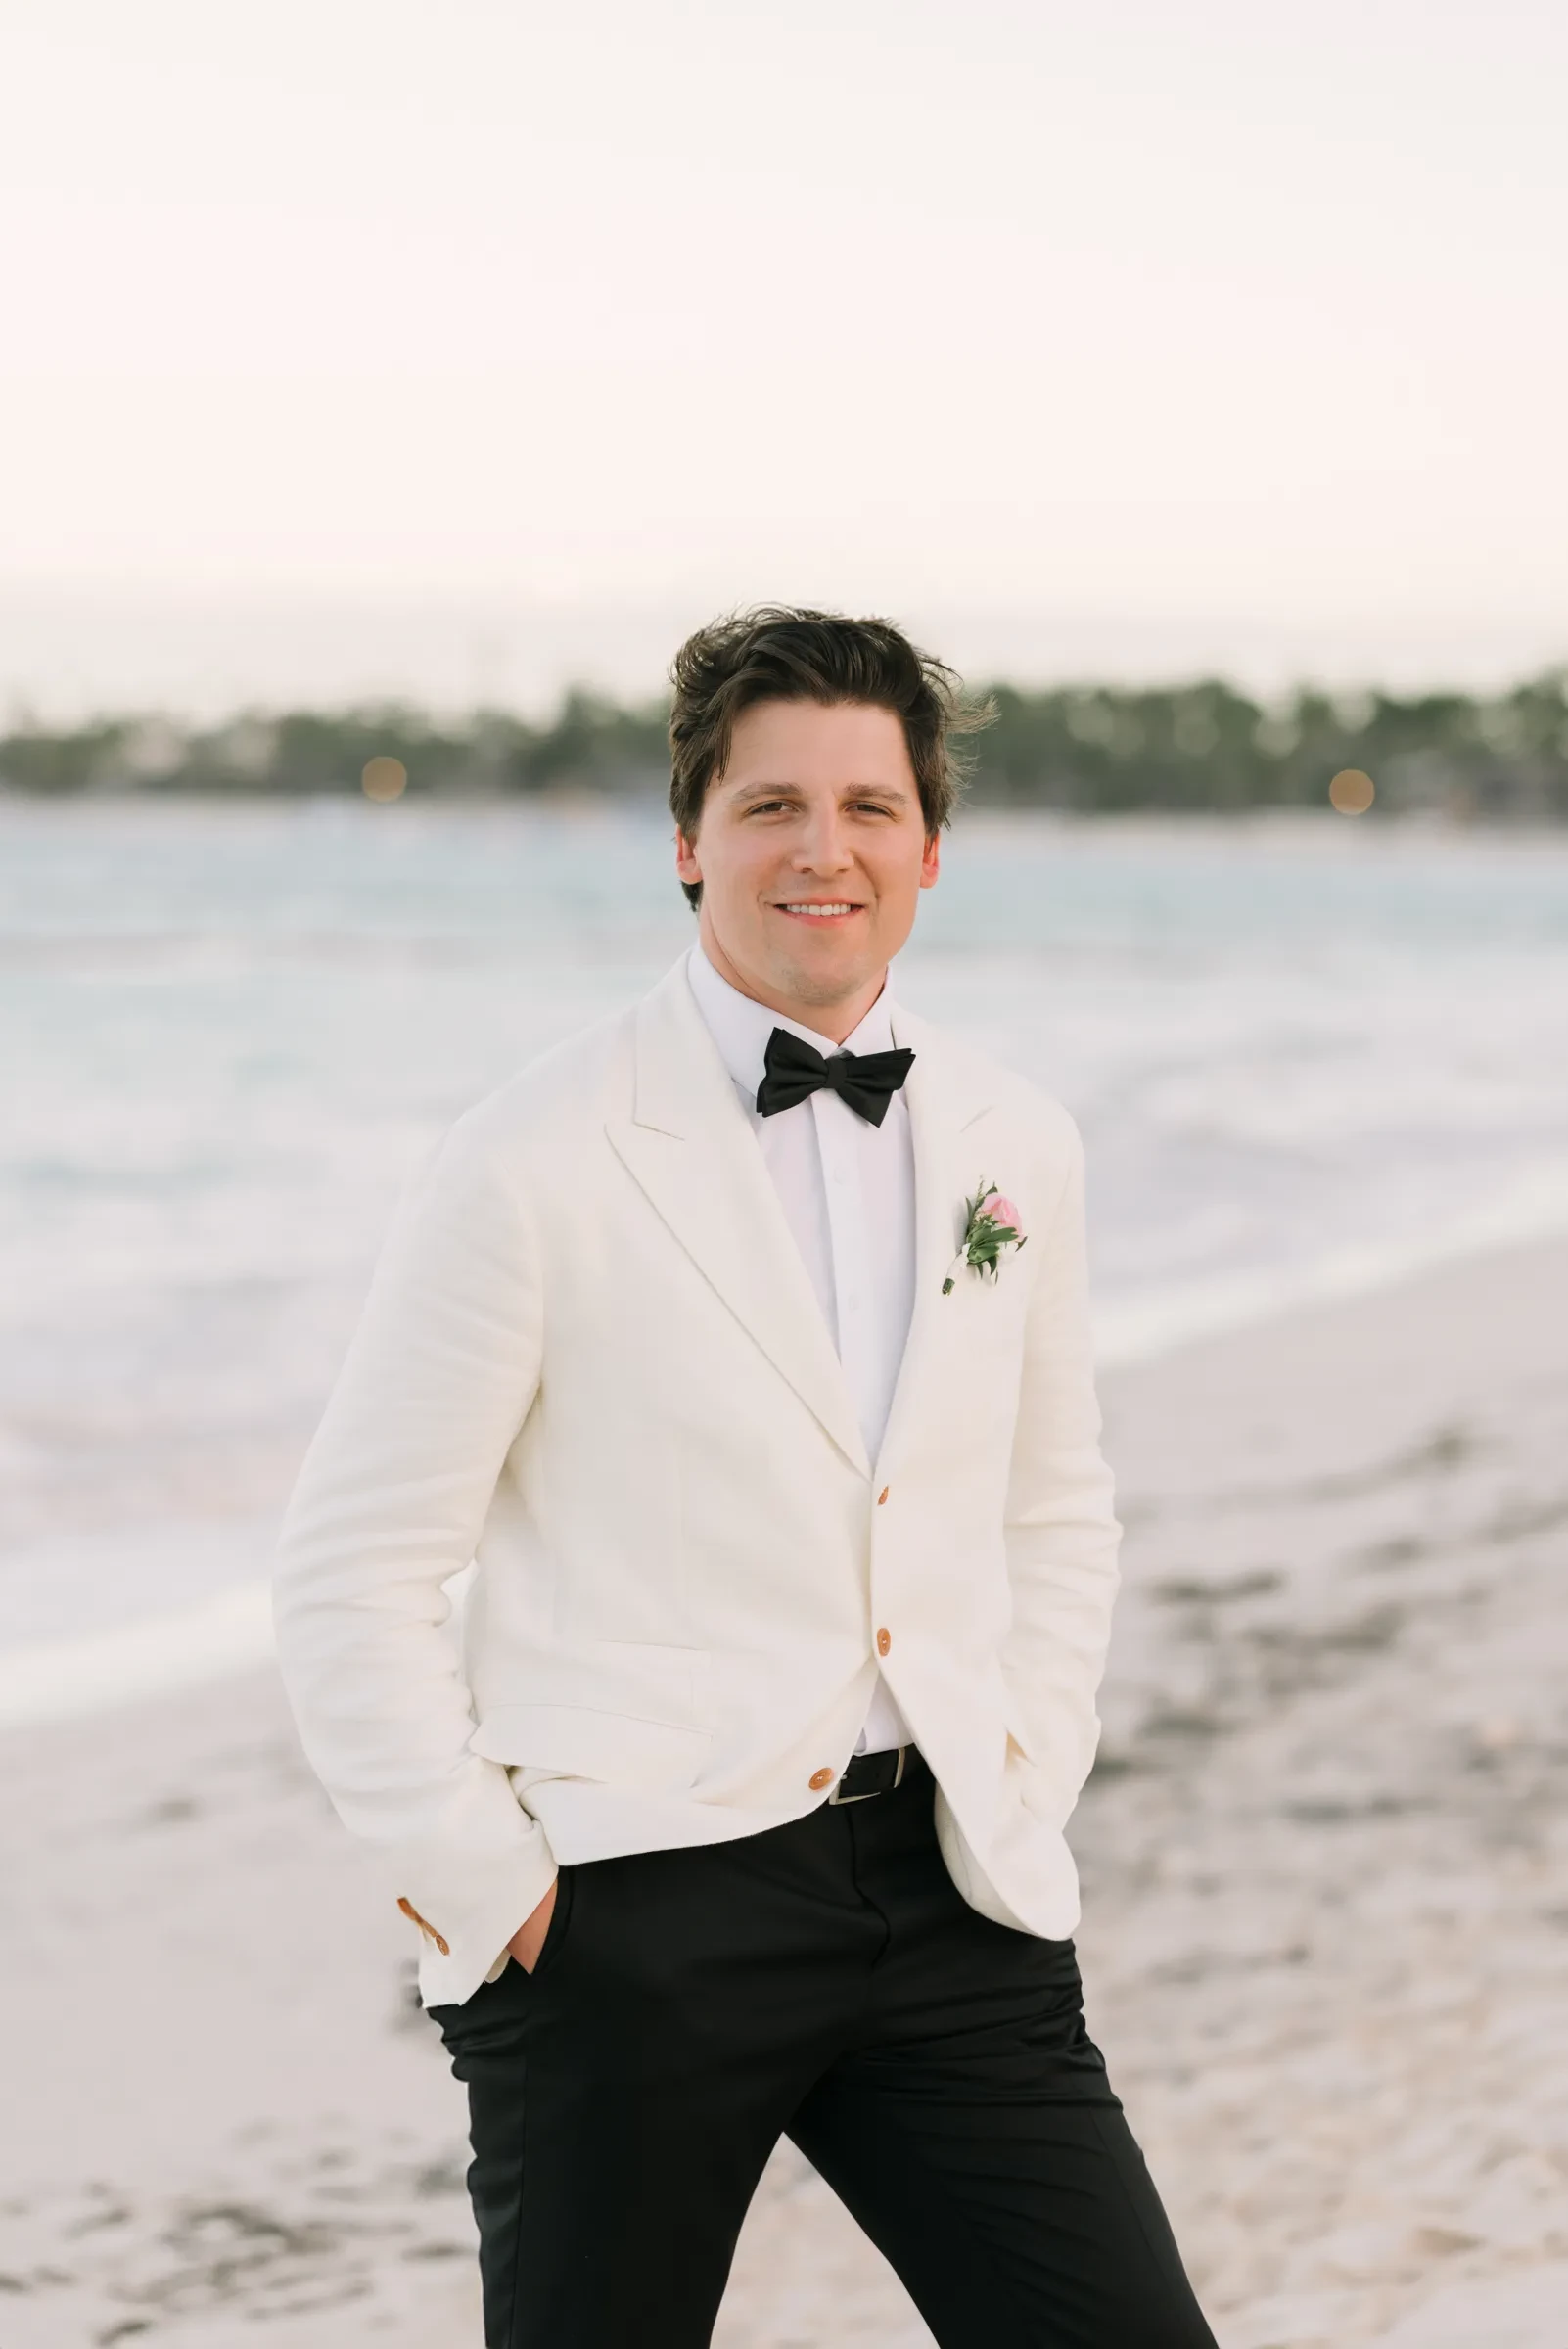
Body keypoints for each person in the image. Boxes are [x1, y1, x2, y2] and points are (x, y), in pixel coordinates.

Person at [273, 607, 1217, 2347]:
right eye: (771, 804)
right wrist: (498, 1894)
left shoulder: (1013, 1137)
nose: (820, 850)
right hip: (633, 1911)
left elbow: (1049, 1500)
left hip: (952, 1889)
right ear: (688, 839)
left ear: (929, 848)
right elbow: (353, 1568)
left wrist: (1025, 1763)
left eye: (867, 808)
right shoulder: (531, 1155)